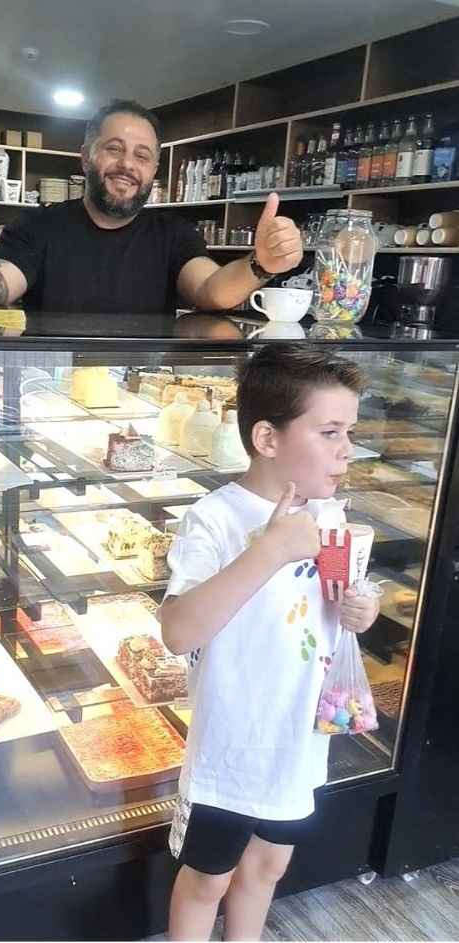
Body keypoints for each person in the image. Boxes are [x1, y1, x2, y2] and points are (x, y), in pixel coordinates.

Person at [157, 344, 378, 941]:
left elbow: (345, 596)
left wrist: (364, 605)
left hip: (299, 739)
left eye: (349, 432)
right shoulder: (216, 519)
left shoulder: (332, 514)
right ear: (266, 437)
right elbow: (178, 631)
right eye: (329, 431)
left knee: (270, 863)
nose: (346, 450)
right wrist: (270, 550)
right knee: (207, 877)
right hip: (232, 745)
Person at [0, 99, 306, 314]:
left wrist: (262, 265)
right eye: (114, 149)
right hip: (47, 390)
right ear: (86, 158)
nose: (127, 165)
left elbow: (211, 290)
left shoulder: (174, 234)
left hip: (143, 396)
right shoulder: (38, 227)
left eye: (142, 155)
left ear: (153, 171)